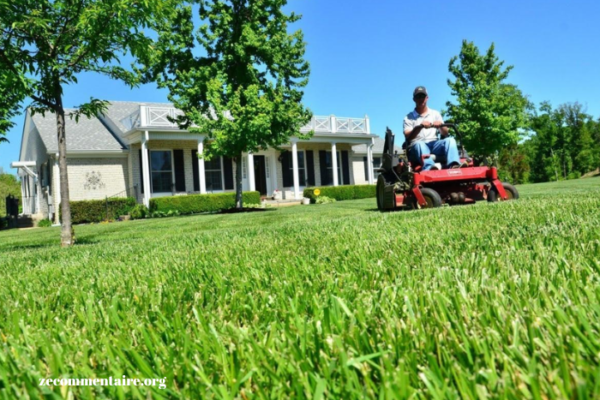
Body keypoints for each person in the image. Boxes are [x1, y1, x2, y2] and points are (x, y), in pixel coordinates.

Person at [403, 86, 466, 170]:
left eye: (422, 96)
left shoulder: (435, 113)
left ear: (427, 98)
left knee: (450, 140)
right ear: (414, 99)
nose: (421, 99)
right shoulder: (408, 117)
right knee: (419, 144)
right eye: (418, 97)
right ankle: (430, 167)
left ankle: (454, 165)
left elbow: (445, 133)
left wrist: (441, 125)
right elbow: (408, 135)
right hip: (417, 148)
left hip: (434, 144)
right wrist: (420, 127)